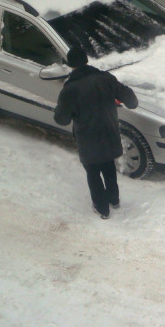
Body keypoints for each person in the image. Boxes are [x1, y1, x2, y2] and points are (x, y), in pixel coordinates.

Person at [54, 46, 138, 219]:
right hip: (109, 132)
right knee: (108, 167)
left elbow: (61, 119)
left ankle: (102, 209)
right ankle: (114, 200)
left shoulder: (70, 89)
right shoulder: (105, 78)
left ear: (71, 66)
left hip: (88, 138)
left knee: (93, 173)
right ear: (86, 61)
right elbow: (131, 100)